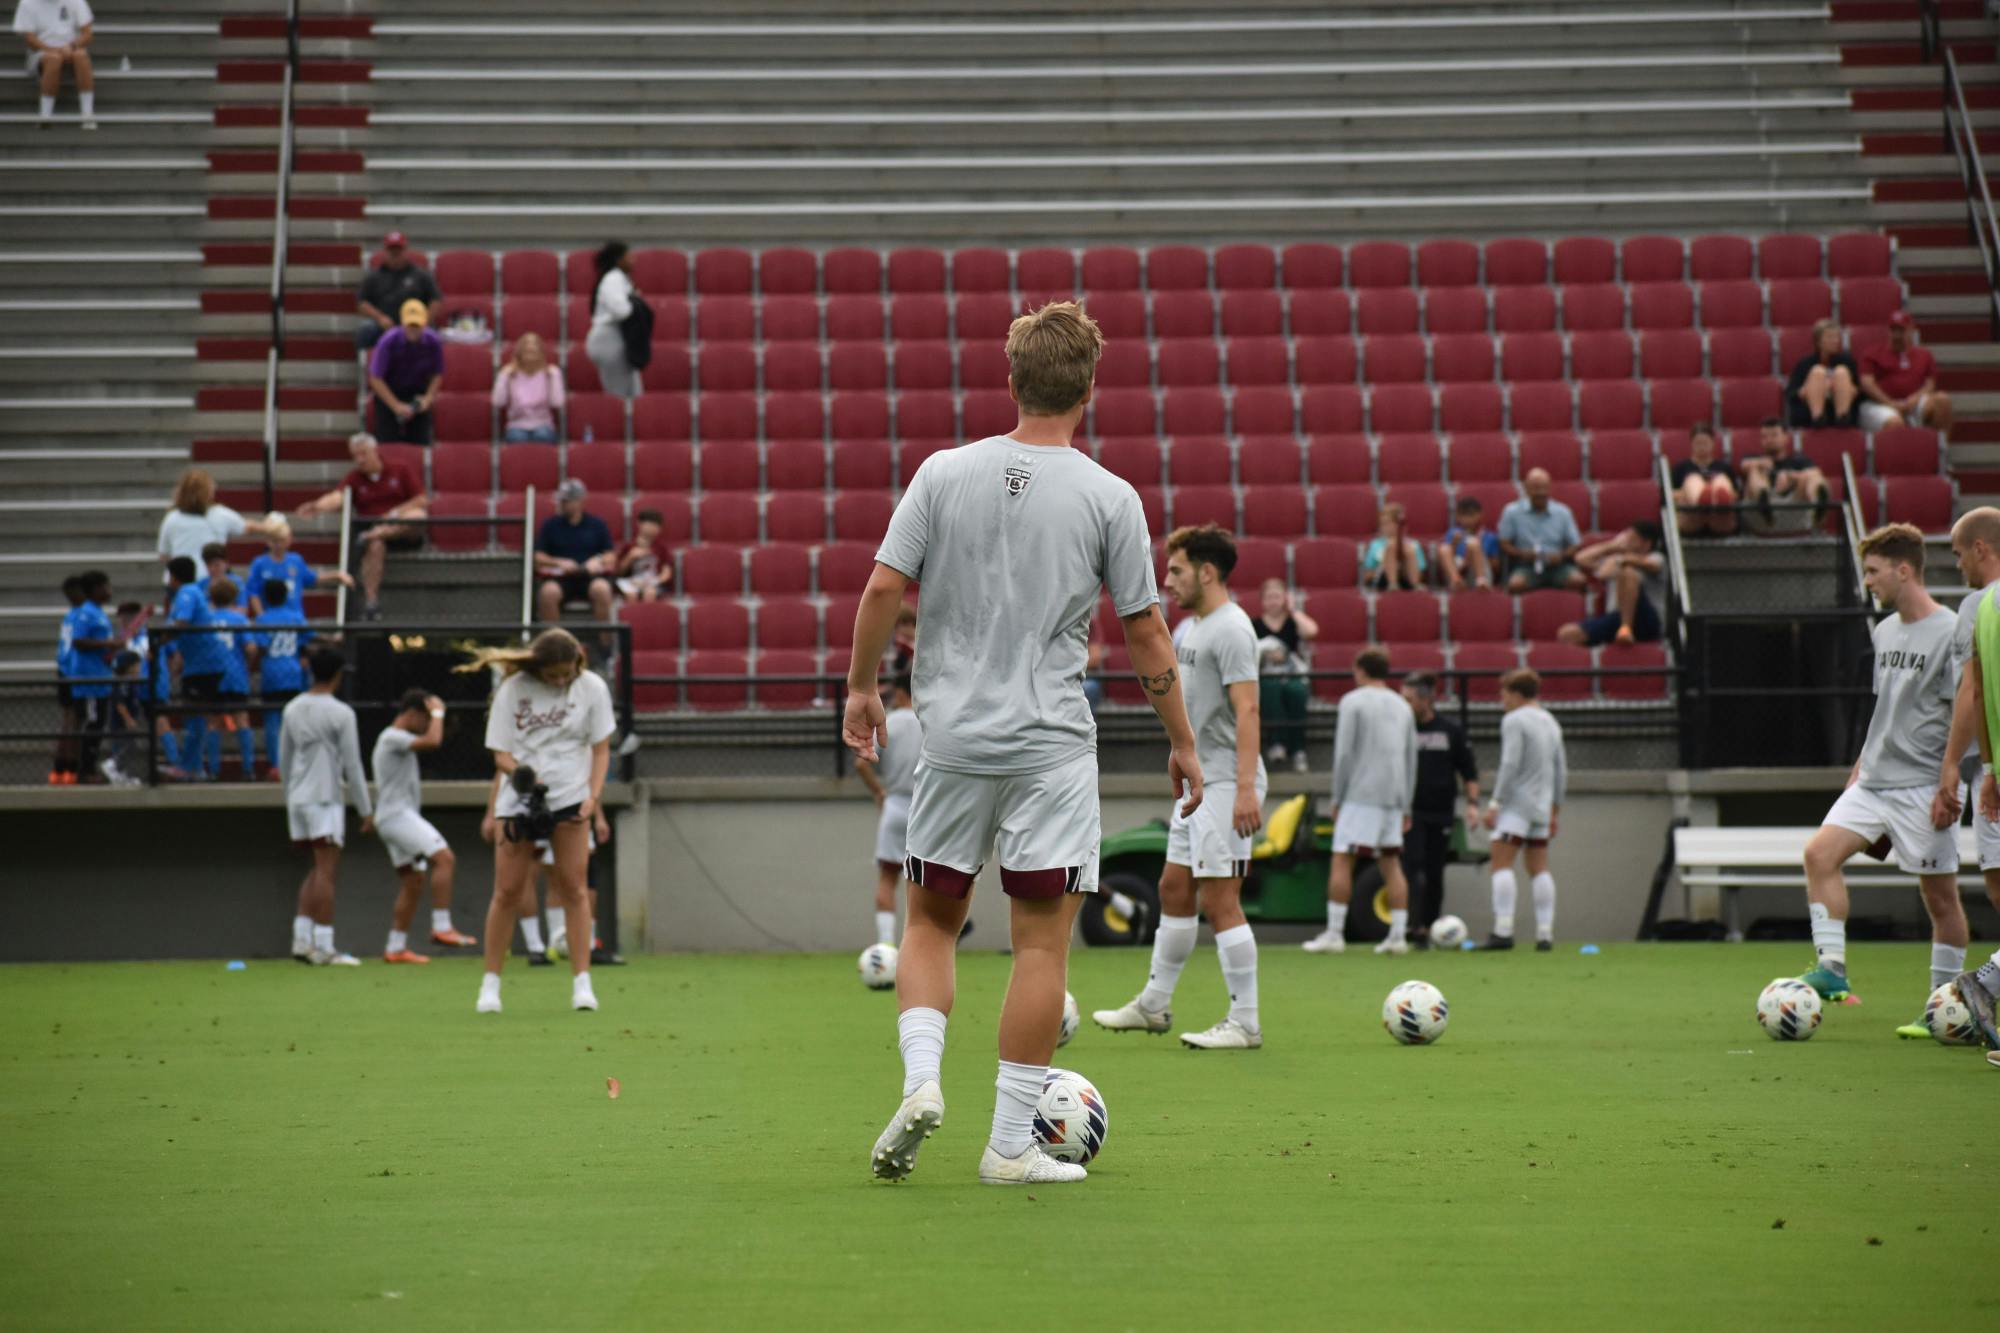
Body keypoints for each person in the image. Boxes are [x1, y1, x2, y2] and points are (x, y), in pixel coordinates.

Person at [843, 300, 1201, 1187]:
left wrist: (859, 688)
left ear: (1011, 380)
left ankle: (922, 1081)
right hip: (1048, 746)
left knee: (930, 919)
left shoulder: (942, 472)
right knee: (1041, 944)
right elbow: (1149, 634)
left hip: (954, 739)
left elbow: (884, 587)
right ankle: (1009, 1146)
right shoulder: (1110, 496)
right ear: (1090, 388)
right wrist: (1184, 741)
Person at [1094, 524, 1267, 1049]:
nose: (1167, 580)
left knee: (1221, 900)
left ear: (1207, 573)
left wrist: (1242, 789)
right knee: (1173, 887)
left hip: (1224, 784)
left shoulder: (1233, 629)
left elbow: (1248, 709)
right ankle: (1154, 1004)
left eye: (1177, 569)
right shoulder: (1191, 628)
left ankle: (1246, 1022)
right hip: (1199, 780)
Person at [1795, 524, 1965, 1030]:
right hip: (1873, 779)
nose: (1868, 581)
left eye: (1873, 571)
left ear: (1903, 569)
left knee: (1939, 897)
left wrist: (1949, 780)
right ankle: (1832, 972)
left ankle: (1945, 1005)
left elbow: (1966, 712)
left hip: (1922, 785)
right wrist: (1859, 766)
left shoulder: (1953, 630)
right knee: (1818, 855)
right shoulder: (1884, 629)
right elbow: (1884, 709)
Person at [468, 628, 616, 1015]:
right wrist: (526, 778)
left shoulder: (593, 689)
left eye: (567, 673)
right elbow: (500, 753)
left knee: (574, 888)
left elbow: (601, 749)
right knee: (508, 891)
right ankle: (490, 984)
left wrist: (592, 796)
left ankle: (582, 983)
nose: (561, 681)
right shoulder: (513, 689)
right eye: (553, 675)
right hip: (521, 800)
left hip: (571, 797)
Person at [1931, 507, 2000, 1052]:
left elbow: (1973, 693)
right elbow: (1978, 695)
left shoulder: (1981, 608)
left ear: (1982, 548)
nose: (1956, 565)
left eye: (1957, 553)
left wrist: (1964, 767)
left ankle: (1987, 982)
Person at [1304, 647, 1418, 955]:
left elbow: (1344, 754)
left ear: (1362, 671)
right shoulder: (1403, 706)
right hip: (1393, 796)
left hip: (1360, 794)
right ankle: (1397, 936)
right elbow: (1411, 758)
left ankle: (1334, 933)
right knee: (1391, 863)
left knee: (1342, 857)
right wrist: (1406, 804)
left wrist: (1338, 798)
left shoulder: (1352, 702)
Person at [282, 647, 373, 966]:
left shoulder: (292, 708)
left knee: (316, 868)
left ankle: (301, 938)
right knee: (326, 870)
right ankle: (324, 944)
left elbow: (285, 757)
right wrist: (365, 808)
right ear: (336, 675)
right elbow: (353, 763)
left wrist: (288, 797)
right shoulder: (341, 713)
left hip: (298, 796)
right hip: (324, 797)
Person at [372, 688, 473, 963]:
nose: (428, 724)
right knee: (444, 859)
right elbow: (433, 741)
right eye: (426, 718)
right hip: (397, 816)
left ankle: (395, 946)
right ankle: (442, 926)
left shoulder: (397, 739)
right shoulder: (392, 736)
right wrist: (438, 712)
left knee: (412, 881)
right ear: (414, 713)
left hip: (393, 816)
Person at [296, 432, 429, 621]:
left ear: (374, 451)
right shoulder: (355, 478)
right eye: (355, 456)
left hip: (403, 530)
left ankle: (378, 533)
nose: (359, 460)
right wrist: (317, 506)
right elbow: (337, 497)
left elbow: (421, 500)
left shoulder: (400, 469)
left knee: (418, 517)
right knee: (375, 544)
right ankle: (371, 602)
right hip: (373, 535)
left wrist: (391, 515)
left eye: (363, 454)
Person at [1481, 668, 1568, 951]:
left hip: (1517, 805)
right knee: (1539, 867)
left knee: (1501, 863)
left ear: (1517, 693)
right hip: (1542, 805)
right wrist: (1555, 808)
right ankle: (1545, 933)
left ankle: (1503, 930)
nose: (1501, 699)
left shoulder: (1514, 720)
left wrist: (1495, 803)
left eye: (1504, 693)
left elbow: (1510, 764)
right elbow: (1560, 770)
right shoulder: (1550, 721)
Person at [1402, 671, 1479, 947]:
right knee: (1413, 868)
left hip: (1441, 812)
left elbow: (1469, 771)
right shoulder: (1403, 730)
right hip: (1411, 812)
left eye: (1409, 699)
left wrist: (1473, 805)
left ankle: (1432, 926)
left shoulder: (1451, 730)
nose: (1404, 704)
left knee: (1435, 872)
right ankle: (1413, 927)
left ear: (1425, 700)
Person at [854, 673, 921, 948]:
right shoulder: (931, 722)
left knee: (887, 878)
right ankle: (922, 946)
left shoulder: (889, 722)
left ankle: (885, 946)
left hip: (895, 805)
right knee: (927, 881)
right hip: (927, 808)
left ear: (902, 693)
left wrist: (878, 792)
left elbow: (861, 763)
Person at [1559, 521, 1667, 648]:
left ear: (1646, 544)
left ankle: (1626, 628)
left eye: (1631, 538)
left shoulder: (1656, 557)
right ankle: (1621, 631)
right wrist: (1612, 546)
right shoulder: (1615, 560)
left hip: (1647, 619)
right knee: (1567, 634)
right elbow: (1581, 559)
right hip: (1616, 617)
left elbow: (1652, 565)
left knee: (1627, 573)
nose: (1626, 541)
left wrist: (1620, 560)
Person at [58, 569, 120, 784]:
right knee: (91, 723)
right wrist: (108, 644)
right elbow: (79, 641)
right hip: (89, 679)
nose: (110, 591)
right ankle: (85, 770)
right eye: (106, 586)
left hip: (100, 677)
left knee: (97, 723)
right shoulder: (86, 613)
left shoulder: (97, 612)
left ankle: (84, 768)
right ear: (95, 589)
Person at [248, 578, 310, 778]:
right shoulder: (296, 616)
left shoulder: (263, 619)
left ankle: (276, 764)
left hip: (272, 675)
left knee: (272, 723)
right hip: (293, 674)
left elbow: (262, 646)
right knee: (297, 720)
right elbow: (306, 640)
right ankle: (299, 762)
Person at [1254, 577, 1315, 774]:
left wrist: (1293, 609)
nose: (1273, 601)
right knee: (1270, 689)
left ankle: (1298, 750)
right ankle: (1277, 744)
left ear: (1285, 599)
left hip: (1291, 673)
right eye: (1269, 597)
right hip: (1266, 674)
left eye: (1277, 597)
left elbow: (1312, 631)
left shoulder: (1292, 622)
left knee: (1296, 691)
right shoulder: (1254, 624)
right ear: (1262, 601)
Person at [535, 480, 617, 625]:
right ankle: (554, 643)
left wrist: (597, 560)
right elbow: (538, 557)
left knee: (602, 589)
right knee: (548, 593)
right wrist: (558, 562)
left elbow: (610, 555)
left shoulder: (597, 525)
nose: (562, 504)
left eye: (566, 501)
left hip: (589, 577)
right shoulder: (550, 525)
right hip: (561, 577)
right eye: (562, 500)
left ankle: (605, 644)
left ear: (580, 501)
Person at [1858, 311, 1953, 437]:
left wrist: (1915, 398)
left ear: (1911, 331)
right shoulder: (1873, 353)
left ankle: (1940, 448)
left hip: (1912, 403)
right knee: (1895, 423)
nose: (1897, 335)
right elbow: (1867, 383)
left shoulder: (1924, 355)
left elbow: (1930, 383)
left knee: (1942, 401)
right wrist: (1890, 402)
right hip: (1880, 404)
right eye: (1893, 330)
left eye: (1901, 330)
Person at [157, 468, 271, 571]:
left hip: (181, 579)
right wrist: (273, 527)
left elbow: (164, 554)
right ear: (209, 493)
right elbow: (247, 527)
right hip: (211, 578)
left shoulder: (172, 518)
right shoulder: (220, 514)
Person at [366, 299, 444, 445]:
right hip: (389, 392)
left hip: (417, 393)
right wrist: (395, 405)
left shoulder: (434, 342)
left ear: (425, 323)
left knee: (421, 443)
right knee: (388, 443)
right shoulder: (388, 341)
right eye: (410, 325)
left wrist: (427, 399)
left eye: (417, 325)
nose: (413, 329)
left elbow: (437, 373)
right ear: (402, 323)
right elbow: (376, 378)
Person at [1497, 469, 1586, 593]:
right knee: (1515, 585)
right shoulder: (1511, 511)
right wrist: (1522, 554)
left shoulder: (1563, 512)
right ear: (1526, 488)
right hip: (1526, 565)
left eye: (1544, 487)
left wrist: (1562, 556)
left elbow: (1575, 543)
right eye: (1535, 488)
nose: (1541, 492)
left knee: (1578, 581)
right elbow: (1504, 543)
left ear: (1550, 488)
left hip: (1558, 565)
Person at [1739, 416, 1830, 535]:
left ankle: (1819, 505)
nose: (1769, 440)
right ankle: (1763, 498)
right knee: (1754, 471)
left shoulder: (1799, 461)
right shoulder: (1752, 459)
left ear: (1786, 437)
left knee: (1812, 477)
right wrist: (1761, 463)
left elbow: (1816, 473)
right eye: (1765, 437)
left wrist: (1791, 477)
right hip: (1760, 515)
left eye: (1774, 435)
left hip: (1793, 508)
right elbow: (1743, 466)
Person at [245, 515, 349, 617]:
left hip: (295, 618)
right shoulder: (259, 563)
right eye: (274, 541)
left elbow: (311, 578)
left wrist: (336, 575)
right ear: (268, 541)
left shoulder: (296, 561)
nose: (278, 545)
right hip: (271, 619)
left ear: (289, 540)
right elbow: (253, 593)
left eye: (281, 540)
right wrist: (262, 617)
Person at [355, 231, 440, 353]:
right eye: (392, 251)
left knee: (434, 334)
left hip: (415, 323)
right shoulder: (374, 276)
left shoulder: (420, 275)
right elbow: (361, 303)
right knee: (366, 330)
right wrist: (380, 318)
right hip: (384, 325)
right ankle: (367, 368)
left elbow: (436, 300)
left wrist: (424, 321)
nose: (395, 254)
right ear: (385, 251)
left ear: (405, 251)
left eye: (398, 251)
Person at [15, 0, 94, 129]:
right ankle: (45, 117)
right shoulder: (27, 3)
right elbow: (29, 38)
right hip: (39, 53)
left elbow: (87, 33)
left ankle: (88, 115)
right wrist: (51, 50)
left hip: (70, 49)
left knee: (81, 56)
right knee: (54, 59)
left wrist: (71, 46)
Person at [206, 578, 257, 779]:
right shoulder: (239, 619)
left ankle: (214, 770)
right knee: (242, 719)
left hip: (212, 674)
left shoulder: (206, 619)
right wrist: (248, 665)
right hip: (235, 673)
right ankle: (248, 768)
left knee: (213, 722)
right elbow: (251, 648)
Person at [587, 241, 642, 399]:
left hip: (616, 338)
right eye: (628, 256)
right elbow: (621, 311)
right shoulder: (613, 278)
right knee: (619, 396)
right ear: (618, 259)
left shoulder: (619, 279)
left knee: (633, 393)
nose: (633, 260)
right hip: (609, 340)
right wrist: (636, 302)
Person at [1785, 318, 1860, 430]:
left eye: (1836, 337)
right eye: (1830, 337)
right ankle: (1818, 418)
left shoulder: (1847, 362)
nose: (1835, 341)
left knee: (1841, 372)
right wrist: (1809, 390)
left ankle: (1842, 417)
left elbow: (1858, 389)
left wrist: (1838, 387)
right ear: (1818, 341)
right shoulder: (1805, 364)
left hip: (1839, 408)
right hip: (1809, 413)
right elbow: (1792, 392)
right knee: (1818, 372)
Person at [493, 331, 565, 444]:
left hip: (543, 424)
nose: (530, 350)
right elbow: (498, 402)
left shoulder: (551, 373)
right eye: (526, 349)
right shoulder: (510, 374)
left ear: (541, 353)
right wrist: (503, 376)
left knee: (543, 436)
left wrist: (554, 376)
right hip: (516, 425)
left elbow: (557, 403)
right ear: (519, 353)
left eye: (534, 348)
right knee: (517, 438)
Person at [1668, 424, 1738, 536]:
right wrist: (1686, 493)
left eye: (1705, 443)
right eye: (1698, 443)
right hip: (1691, 517)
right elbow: (1669, 494)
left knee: (1720, 480)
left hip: (1719, 519)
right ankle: (1701, 500)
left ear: (1713, 443)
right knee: (1693, 480)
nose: (1702, 447)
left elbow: (1736, 494)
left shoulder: (1723, 468)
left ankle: (1711, 499)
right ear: (1691, 444)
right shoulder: (1681, 468)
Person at [1438, 494, 1500, 591]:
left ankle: (1481, 581)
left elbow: (1495, 566)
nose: (1467, 520)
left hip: (1479, 571)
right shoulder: (1452, 533)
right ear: (1458, 516)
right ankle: (1456, 580)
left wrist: (1473, 558)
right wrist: (1454, 544)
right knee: (1444, 549)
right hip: (1459, 571)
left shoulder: (1489, 537)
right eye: (1463, 515)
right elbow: (1446, 559)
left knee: (1473, 543)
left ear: (1480, 514)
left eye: (1471, 515)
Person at [1361, 501, 1426, 592]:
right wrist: (1386, 565)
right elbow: (1367, 576)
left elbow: (1421, 573)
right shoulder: (1375, 545)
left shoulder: (1414, 545)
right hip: (1382, 580)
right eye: (1382, 524)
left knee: (1408, 550)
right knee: (1391, 546)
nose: (1383, 527)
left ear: (1398, 525)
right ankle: (1393, 584)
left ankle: (1414, 586)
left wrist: (1403, 568)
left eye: (1387, 523)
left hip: (1406, 578)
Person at [612, 508, 669, 602]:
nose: (652, 528)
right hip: (632, 582)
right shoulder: (629, 547)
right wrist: (630, 557)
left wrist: (653, 582)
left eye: (656, 525)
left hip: (652, 583)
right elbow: (619, 572)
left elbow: (666, 574)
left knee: (650, 593)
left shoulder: (661, 548)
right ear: (639, 524)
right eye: (649, 524)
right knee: (631, 595)